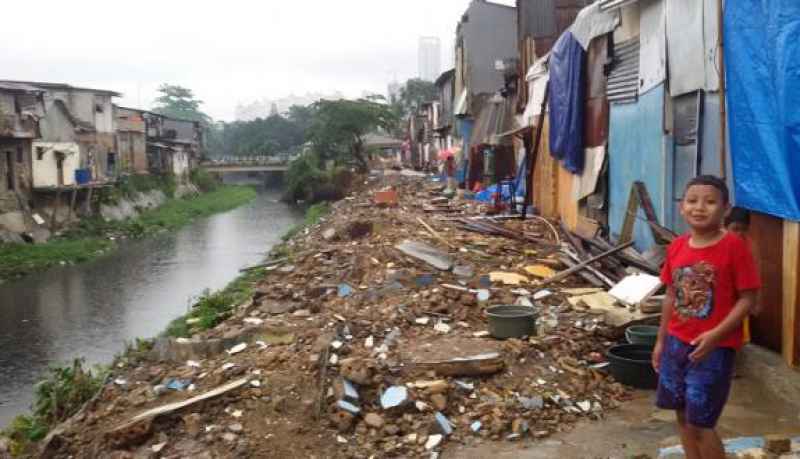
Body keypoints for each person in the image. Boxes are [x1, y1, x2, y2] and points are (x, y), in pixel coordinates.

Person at [652, 175, 761, 459]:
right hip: (676, 344)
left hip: (713, 350)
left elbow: (748, 299)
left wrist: (716, 336)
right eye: (692, 201)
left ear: (725, 209)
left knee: (701, 422)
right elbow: (671, 296)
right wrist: (661, 341)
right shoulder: (677, 246)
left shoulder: (734, 247)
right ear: (682, 207)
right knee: (681, 412)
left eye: (710, 202)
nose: (700, 207)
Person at [724, 207, 761, 345]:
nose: (739, 233)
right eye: (735, 228)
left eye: (744, 229)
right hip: (723, 296)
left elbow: (756, 274)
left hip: (742, 297)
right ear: (725, 226)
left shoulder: (750, 246)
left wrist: (757, 302)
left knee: (738, 332)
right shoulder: (719, 243)